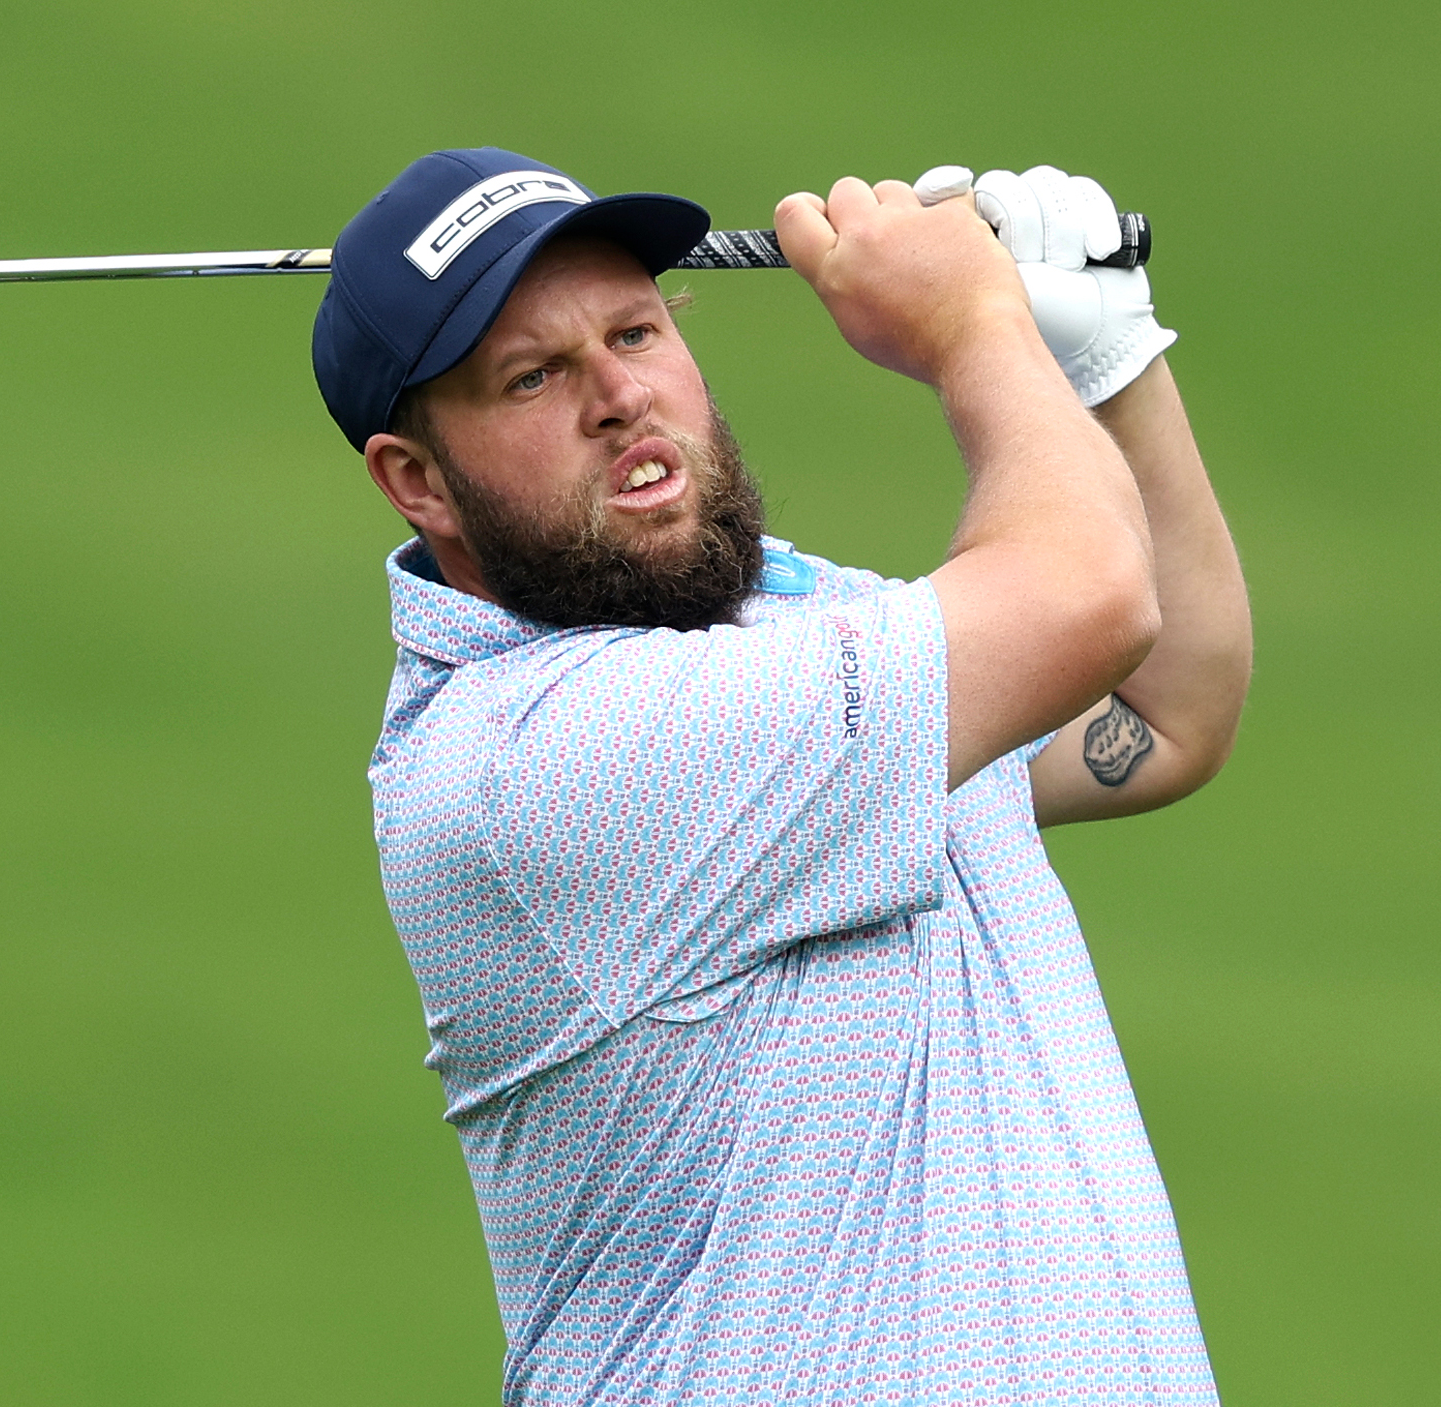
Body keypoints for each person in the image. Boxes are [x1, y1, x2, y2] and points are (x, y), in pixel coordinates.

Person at [311, 147, 1251, 1406]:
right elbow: (1086, 598)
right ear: (416, 482)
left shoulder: (788, 637)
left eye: (635, 331)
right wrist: (974, 321)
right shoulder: (543, 759)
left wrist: (1105, 364)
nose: (616, 396)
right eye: (530, 376)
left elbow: (1162, 707)